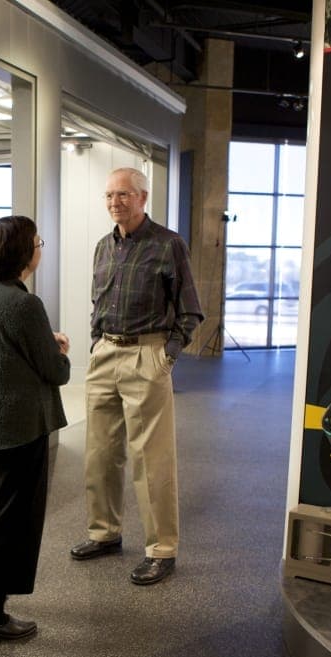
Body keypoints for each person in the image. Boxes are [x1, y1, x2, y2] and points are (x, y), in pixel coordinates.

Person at [70, 167, 203, 586]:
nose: (115, 203)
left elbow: (190, 309)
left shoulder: (168, 245)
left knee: (152, 458)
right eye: (109, 195)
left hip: (148, 353)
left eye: (123, 195)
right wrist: (96, 341)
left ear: (143, 197)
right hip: (106, 352)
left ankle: (161, 549)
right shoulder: (101, 247)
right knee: (99, 453)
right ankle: (104, 533)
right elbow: (98, 301)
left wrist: (167, 355)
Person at [0, 215, 71, 643]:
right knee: (8, 520)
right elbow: (54, 371)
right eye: (38, 241)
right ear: (27, 254)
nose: (41, 247)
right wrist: (60, 349)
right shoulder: (25, 305)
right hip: (15, 427)